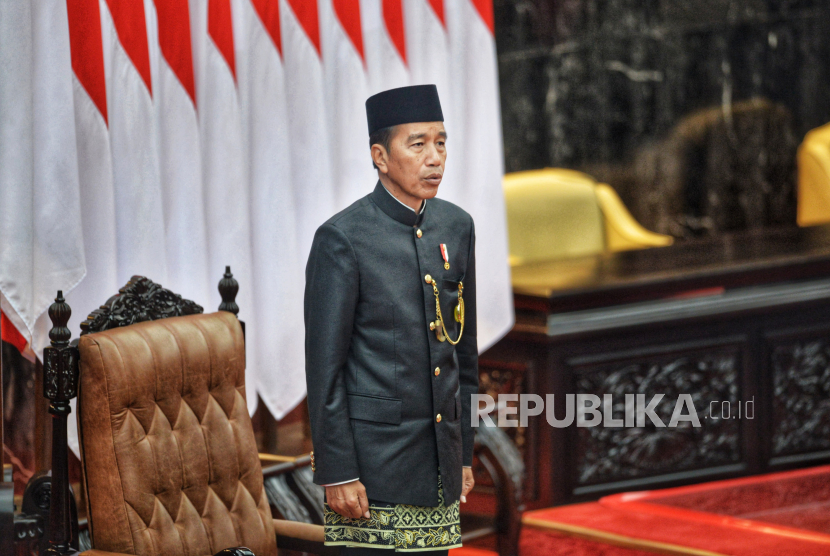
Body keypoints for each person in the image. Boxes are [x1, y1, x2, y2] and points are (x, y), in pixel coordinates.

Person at [304, 84, 479, 556]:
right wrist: (338, 471)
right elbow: (325, 369)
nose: (435, 158)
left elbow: (463, 352)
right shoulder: (343, 239)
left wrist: (462, 449)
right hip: (371, 468)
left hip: (438, 458)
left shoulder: (456, 226)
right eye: (417, 144)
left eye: (441, 143)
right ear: (380, 156)